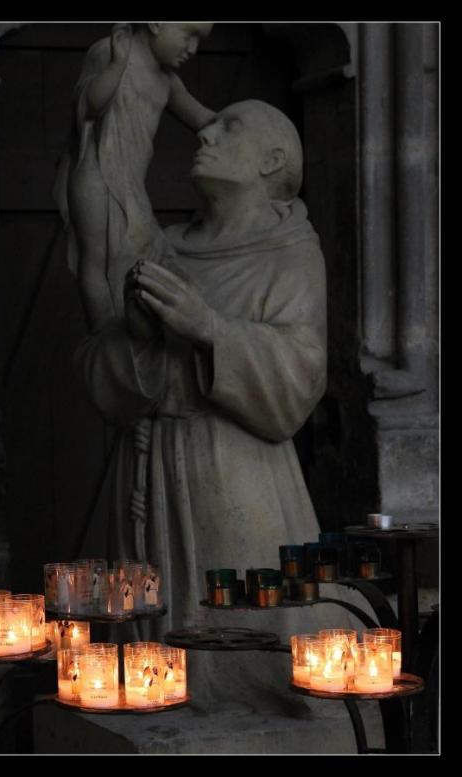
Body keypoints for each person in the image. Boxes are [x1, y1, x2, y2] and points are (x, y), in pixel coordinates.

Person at [76, 99, 364, 710]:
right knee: (146, 658)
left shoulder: (290, 255)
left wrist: (209, 327)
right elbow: (101, 372)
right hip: (148, 466)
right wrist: (140, 339)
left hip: (235, 475)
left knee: (248, 652)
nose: (205, 133)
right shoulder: (163, 250)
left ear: (272, 161)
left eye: (230, 127)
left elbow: (299, 379)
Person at [54, 22, 215, 333]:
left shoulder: (168, 81)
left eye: (200, 39)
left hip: (132, 188)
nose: (193, 49)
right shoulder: (109, 51)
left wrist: (250, 121)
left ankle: (128, 337)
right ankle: (104, 340)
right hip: (96, 176)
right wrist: (117, 65)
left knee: (144, 257)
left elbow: (203, 118)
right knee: (96, 260)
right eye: (189, 34)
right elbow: (90, 105)